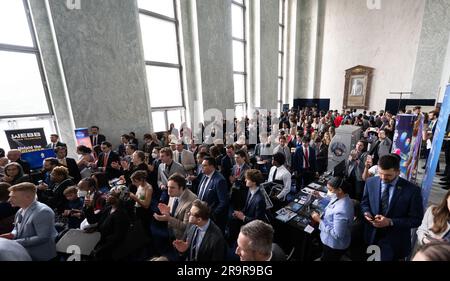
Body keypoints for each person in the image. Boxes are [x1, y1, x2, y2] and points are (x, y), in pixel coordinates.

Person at [361, 154, 423, 261]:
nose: (383, 178)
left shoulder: (412, 191)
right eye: (380, 173)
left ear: (398, 172)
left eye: (388, 175)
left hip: (395, 243)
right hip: (372, 237)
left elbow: (416, 220)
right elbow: (364, 203)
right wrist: (366, 213)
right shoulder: (370, 182)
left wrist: (390, 222)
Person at [0, 183, 57, 261]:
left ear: (28, 197)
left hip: (41, 256)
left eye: (13, 197)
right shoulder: (21, 209)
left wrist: (14, 243)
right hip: (25, 253)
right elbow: (17, 228)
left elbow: (42, 237)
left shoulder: (43, 211)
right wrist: (12, 234)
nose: (9, 200)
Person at [311, 177, 354, 261]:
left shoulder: (342, 210)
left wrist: (319, 220)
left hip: (333, 245)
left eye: (330, 190)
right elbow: (332, 202)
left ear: (340, 190)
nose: (329, 192)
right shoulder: (342, 196)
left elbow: (337, 234)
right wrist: (320, 197)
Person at [84, 185, 130, 260]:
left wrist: (98, 249)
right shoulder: (108, 208)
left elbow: (117, 237)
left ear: (119, 198)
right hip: (102, 243)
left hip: (112, 251)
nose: (107, 195)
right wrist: (89, 207)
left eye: (111, 194)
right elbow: (93, 220)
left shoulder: (121, 215)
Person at [153, 173, 197, 239]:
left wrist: (168, 218)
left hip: (182, 238)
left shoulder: (192, 200)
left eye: (172, 187)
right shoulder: (173, 193)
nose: (169, 190)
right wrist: (167, 212)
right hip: (171, 231)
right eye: (168, 187)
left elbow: (186, 227)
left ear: (181, 188)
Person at [229, 170, 267, 244]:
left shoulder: (260, 200)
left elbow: (258, 221)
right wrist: (240, 213)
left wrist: (243, 218)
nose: (245, 180)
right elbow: (247, 207)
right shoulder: (250, 190)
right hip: (246, 223)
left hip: (252, 231)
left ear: (254, 182)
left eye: (247, 179)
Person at [196, 157, 229, 232]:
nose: (202, 167)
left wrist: (213, 214)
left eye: (204, 165)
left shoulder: (220, 180)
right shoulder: (203, 175)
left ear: (212, 167)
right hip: (202, 214)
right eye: (202, 165)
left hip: (214, 219)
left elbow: (224, 202)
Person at [129, 170, 153, 235]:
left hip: (145, 212)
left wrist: (134, 198)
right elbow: (140, 196)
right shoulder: (139, 185)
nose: (133, 184)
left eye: (135, 181)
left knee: (145, 230)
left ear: (141, 180)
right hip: (138, 208)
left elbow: (146, 205)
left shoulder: (148, 188)